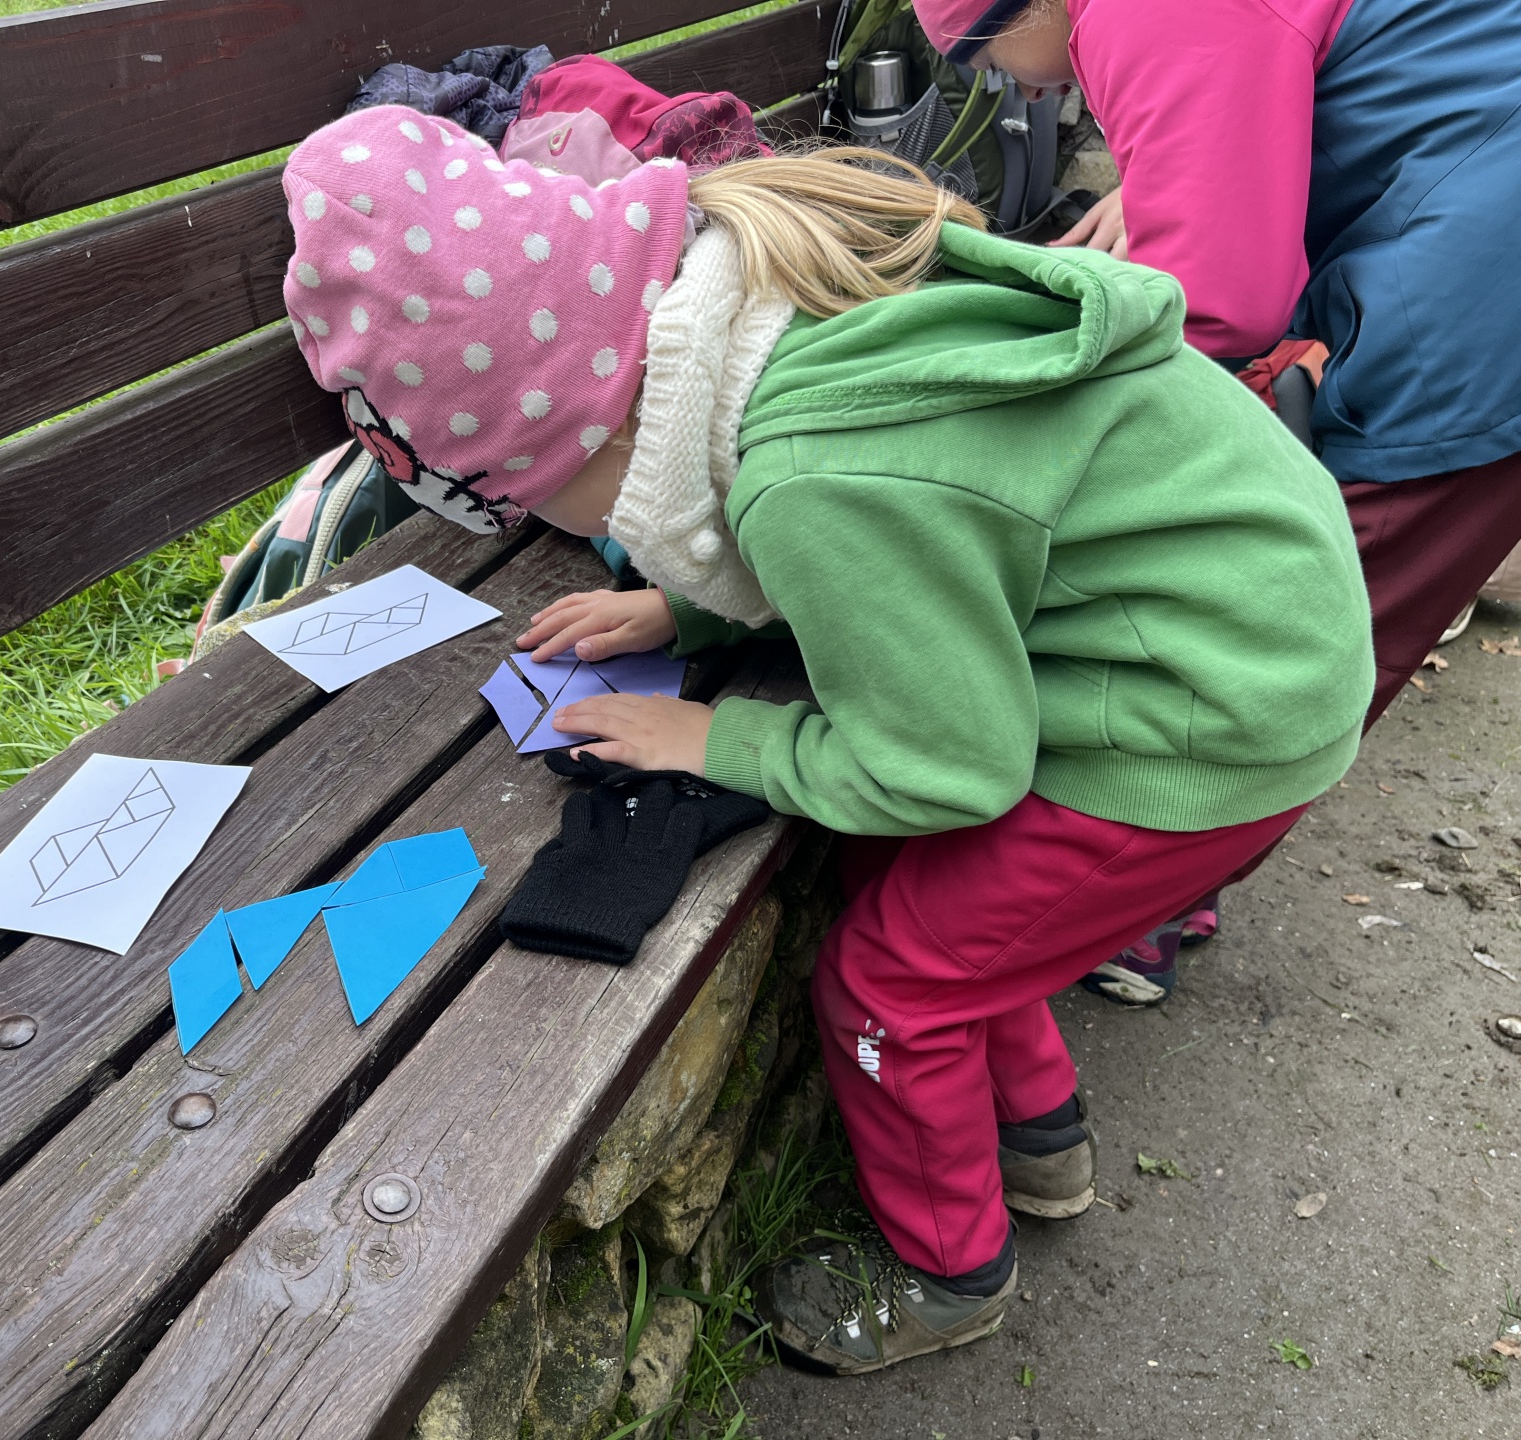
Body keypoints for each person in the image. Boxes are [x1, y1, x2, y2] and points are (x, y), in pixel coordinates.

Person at [277, 106, 1372, 1371]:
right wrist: (687, 606)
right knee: (946, 903)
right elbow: (921, 531)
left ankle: (947, 1275)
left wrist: (715, 740)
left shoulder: (812, 477)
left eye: (541, 504)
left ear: (594, 434)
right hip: (1238, 622)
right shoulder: (767, 318)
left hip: (1206, 721)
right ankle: (1039, 1140)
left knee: (892, 988)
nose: (580, 531)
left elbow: (946, 768)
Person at [910, 0, 1521, 1003]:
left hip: (1473, 309)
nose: (1009, 86)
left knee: (1289, 631)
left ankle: (1125, 908)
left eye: (981, 56)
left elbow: (1214, 303)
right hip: (1470, 222)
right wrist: (1163, 184)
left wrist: (1003, 428)